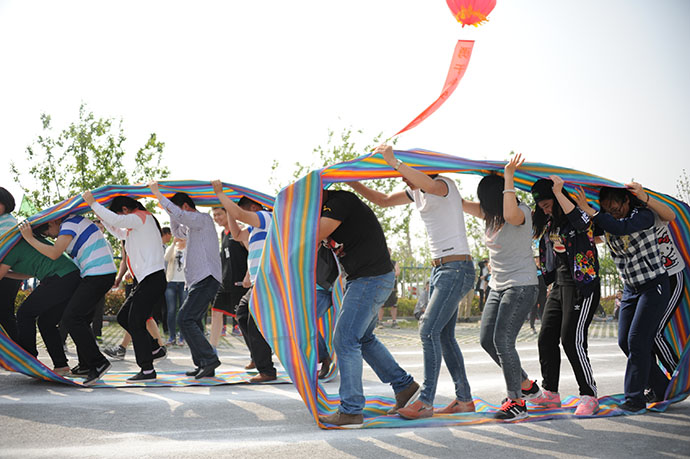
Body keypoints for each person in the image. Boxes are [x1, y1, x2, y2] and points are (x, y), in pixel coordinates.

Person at [348, 144, 473, 421]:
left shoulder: (443, 185)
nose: (402, 176)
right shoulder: (416, 191)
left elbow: (425, 181)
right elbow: (382, 200)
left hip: (457, 268)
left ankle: (426, 401)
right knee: (443, 335)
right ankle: (464, 399)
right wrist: (351, 180)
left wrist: (393, 160)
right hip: (440, 270)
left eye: (407, 169)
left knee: (428, 329)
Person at [315, 184, 419, 427]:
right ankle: (405, 387)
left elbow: (318, 231)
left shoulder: (340, 201)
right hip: (366, 278)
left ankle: (351, 410)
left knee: (345, 339)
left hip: (370, 278)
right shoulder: (327, 208)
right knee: (363, 338)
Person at [573, 183, 674, 412]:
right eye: (607, 209)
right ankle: (661, 386)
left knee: (638, 341)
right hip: (630, 289)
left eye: (615, 207)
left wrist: (595, 213)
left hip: (654, 285)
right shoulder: (605, 219)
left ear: (627, 201)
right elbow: (586, 228)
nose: (612, 211)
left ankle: (634, 400)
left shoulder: (643, 216)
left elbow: (622, 228)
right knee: (624, 342)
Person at [462, 155, 541, 420]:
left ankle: (517, 402)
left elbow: (509, 211)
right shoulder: (492, 215)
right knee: (487, 340)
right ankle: (526, 385)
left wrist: (508, 176)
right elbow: (461, 204)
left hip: (521, 285)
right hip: (498, 286)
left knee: (503, 341)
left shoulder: (520, 213)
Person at [529, 175, 602, 416]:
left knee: (571, 339)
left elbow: (583, 224)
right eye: (541, 206)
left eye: (547, 203)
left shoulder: (578, 216)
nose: (544, 209)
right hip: (559, 286)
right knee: (546, 337)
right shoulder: (551, 224)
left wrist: (559, 192)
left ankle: (589, 395)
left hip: (583, 285)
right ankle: (550, 393)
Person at [19, 213, 117, 386]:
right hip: (98, 274)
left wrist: (29, 238)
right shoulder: (73, 222)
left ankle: (98, 362)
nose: (54, 237)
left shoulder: (69, 223)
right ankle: (87, 365)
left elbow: (55, 253)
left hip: (98, 274)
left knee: (71, 318)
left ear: (53, 221)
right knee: (80, 319)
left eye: (50, 233)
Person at [83, 192, 166, 382]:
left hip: (152, 278)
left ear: (125, 210)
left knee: (136, 322)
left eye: (120, 215)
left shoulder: (142, 217)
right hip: (145, 280)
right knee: (123, 317)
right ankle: (154, 348)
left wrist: (93, 204)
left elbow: (117, 222)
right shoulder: (135, 226)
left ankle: (147, 370)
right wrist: (103, 219)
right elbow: (118, 230)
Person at [149, 183, 222, 379]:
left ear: (186, 207)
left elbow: (180, 216)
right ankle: (204, 365)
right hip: (199, 279)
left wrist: (158, 195)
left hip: (207, 277)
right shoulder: (191, 227)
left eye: (177, 209)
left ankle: (209, 359)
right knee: (194, 322)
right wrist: (171, 212)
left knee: (185, 318)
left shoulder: (202, 219)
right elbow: (176, 230)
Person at [212, 181, 277, 383]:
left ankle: (266, 369)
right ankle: (261, 362)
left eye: (243, 208)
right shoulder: (255, 226)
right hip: (259, 279)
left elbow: (240, 216)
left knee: (253, 322)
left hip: (268, 279)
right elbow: (238, 234)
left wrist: (221, 195)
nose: (240, 212)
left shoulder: (265, 217)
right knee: (242, 314)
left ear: (255, 207)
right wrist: (231, 212)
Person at [0, 237, 81, 374]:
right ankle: (61, 365)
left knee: (25, 313)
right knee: (46, 322)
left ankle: (29, 358)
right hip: (69, 276)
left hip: (59, 277)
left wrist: (4, 272)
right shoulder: (19, 244)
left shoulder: (11, 249)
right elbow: (27, 275)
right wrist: (7, 273)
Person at [209, 207, 248, 350]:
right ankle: (212, 351)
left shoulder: (240, 230)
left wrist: (248, 275)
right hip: (225, 282)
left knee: (244, 320)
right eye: (214, 215)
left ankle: (257, 354)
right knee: (216, 312)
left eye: (219, 214)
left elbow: (252, 252)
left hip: (240, 282)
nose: (217, 217)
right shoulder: (223, 233)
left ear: (228, 213)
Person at [0, 187, 21, 342]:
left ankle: (19, 350)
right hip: (6, 272)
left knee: (5, 314)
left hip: (8, 273)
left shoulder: (8, 222)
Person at [164, 237, 187, 346]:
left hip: (185, 283)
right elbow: (166, 257)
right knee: (171, 310)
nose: (181, 238)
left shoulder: (189, 249)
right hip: (171, 282)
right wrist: (173, 243)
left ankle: (182, 337)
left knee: (183, 310)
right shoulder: (171, 248)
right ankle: (172, 336)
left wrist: (186, 245)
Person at [378, 253, 400, 328]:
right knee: (381, 305)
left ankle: (394, 322)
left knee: (394, 305)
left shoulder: (394, 262)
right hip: (382, 287)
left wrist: (386, 275)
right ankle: (379, 322)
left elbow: (397, 272)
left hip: (392, 287)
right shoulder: (379, 263)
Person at [529, 256, 547, 333]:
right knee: (534, 308)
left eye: (538, 259)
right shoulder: (532, 269)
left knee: (543, 308)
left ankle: (544, 325)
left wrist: (548, 289)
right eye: (536, 259)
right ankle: (532, 326)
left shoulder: (543, 268)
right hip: (534, 290)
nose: (537, 260)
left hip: (543, 290)